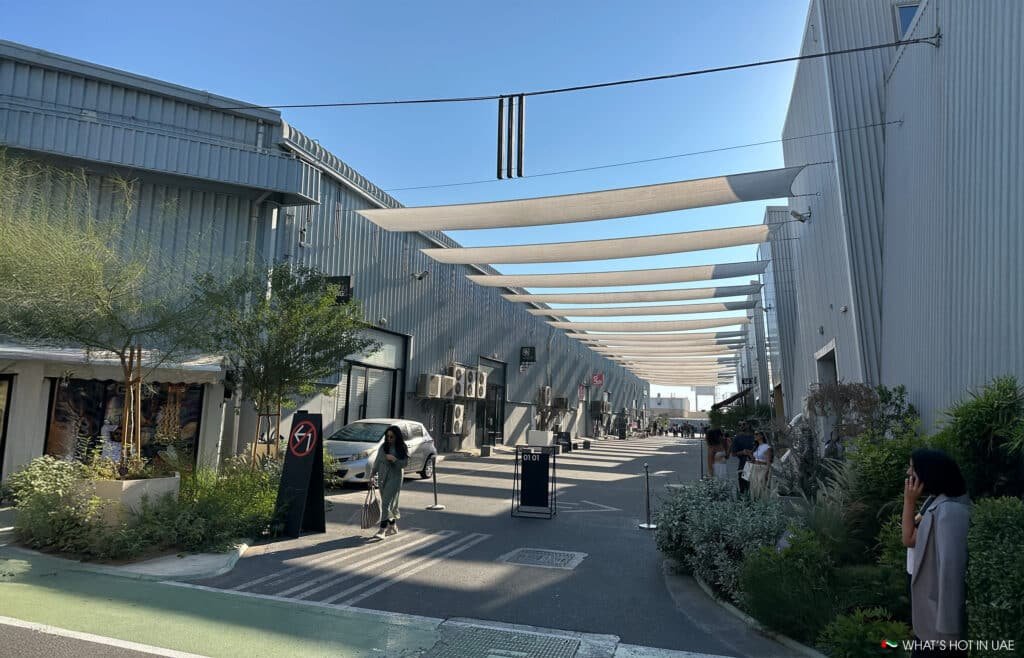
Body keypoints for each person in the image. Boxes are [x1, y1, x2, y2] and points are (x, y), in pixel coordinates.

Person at [901, 448, 971, 656]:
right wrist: (910, 501)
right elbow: (910, 537)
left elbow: (951, 572)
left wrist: (948, 628)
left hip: (939, 625)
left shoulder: (950, 511)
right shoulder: (934, 501)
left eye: (913, 468)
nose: (908, 473)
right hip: (926, 604)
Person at [370, 425, 409, 540]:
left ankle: (382, 529)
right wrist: (372, 475)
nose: (389, 439)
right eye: (387, 436)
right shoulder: (383, 446)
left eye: (391, 437)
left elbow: (404, 464)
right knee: (389, 504)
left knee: (385, 503)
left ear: (397, 437)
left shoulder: (401, 447)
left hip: (395, 478)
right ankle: (393, 526)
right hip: (383, 477)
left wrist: (394, 459)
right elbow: (377, 461)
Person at [730, 422, 756, 495]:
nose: (741, 426)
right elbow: (733, 453)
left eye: (744, 424)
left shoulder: (756, 437)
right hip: (745, 465)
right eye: (739, 425)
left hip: (758, 465)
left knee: (756, 490)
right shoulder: (737, 438)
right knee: (745, 490)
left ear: (748, 425)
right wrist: (743, 452)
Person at [748, 431, 773, 499]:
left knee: (761, 488)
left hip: (762, 469)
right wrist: (750, 454)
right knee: (753, 488)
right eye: (754, 434)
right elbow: (754, 459)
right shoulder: (757, 446)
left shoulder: (767, 447)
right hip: (754, 468)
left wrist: (767, 473)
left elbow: (768, 462)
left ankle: (761, 504)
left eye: (756, 434)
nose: (755, 435)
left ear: (762, 435)